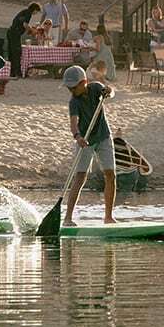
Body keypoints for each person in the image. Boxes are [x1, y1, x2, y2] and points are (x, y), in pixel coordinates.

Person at [60, 65, 119, 226]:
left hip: (103, 137)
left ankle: (108, 217)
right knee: (80, 177)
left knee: (110, 175)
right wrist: (77, 136)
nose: (71, 90)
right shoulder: (74, 102)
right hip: (84, 141)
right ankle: (68, 218)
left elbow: (111, 92)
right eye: (69, 88)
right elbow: (74, 123)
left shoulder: (95, 88)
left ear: (83, 82)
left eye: (73, 87)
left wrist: (109, 91)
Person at [6, 1, 41, 67]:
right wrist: (32, 30)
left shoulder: (24, 12)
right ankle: (16, 70)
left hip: (11, 31)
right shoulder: (28, 13)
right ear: (35, 9)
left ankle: (12, 70)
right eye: (37, 11)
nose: (36, 13)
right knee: (16, 52)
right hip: (15, 33)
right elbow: (25, 24)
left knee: (12, 51)